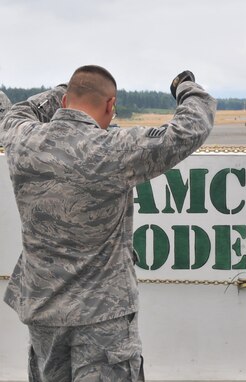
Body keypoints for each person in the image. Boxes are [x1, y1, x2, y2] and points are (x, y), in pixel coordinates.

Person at [0, 65, 216, 381]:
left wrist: (64, 90)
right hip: (102, 317)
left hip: (42, 311)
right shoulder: (111, 148)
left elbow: (17, 111)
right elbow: (188, 129)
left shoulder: (22, 138)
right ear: (110, 105)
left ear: (63, 103)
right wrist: (186, 87)